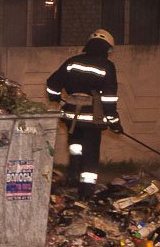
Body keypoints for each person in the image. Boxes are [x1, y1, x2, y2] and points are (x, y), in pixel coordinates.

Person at [45, 28, 122, 198]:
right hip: (91, 119)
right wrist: (114, 122)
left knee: (75, 147)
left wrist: (56, 97)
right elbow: (109, 99)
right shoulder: (107, 66)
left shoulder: (73, 62)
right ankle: (86, 192)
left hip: (71, 117)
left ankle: (72, 178)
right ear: (106, 48)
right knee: (90, 154)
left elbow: (52, 83)